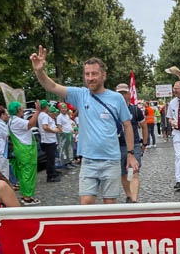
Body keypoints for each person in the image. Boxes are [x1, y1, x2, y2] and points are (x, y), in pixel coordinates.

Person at [30, 46, 138, 204]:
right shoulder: (80, 95)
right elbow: (51, 86)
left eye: (94, 74)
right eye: (87, 74)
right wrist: (39, 71)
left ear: (103, 75)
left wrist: (130, 154)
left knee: (110, 205)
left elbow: (127, 126)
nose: (90, 78)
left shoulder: (116, 98)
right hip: (88, 160)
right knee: (86, 204)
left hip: (111, 160)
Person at [116, 83, 147, 203]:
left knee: (134, 171)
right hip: (117, 146)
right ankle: (129, 195)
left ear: (129, 94)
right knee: (123, 173)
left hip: (134, 145)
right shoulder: (112, 110)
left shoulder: (135, 109)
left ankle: (134, 200)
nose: (122, 95)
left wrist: (144, 143)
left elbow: (144, 126)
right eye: (120, 93)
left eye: (124, 93)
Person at [7, 101, 41, 205]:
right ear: (18, 110)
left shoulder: (11, 120)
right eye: (21, 108)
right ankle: (27, 198)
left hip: (21, 150)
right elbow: (31, 124)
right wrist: (38, 111)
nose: (22, 109)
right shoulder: (16, 120)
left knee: (23, 174)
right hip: (25, 151)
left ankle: (24, 195)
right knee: (28, 174)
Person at [37, 101, 62, 182]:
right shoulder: (44, 115)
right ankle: (51, 176)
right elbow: (45, 127)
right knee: (50, 159)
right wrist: (54, 131)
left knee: (51, 158)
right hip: (49, 140)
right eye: (48, 106)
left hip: (47, 140)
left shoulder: (42, 115)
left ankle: (53, 171)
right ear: (46, 107)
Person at [56, 103, 76, 169]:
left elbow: (68, 124)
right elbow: (59, 126)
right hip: (65, 135)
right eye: (62, 108)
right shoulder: (59, 117)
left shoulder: (67, 116)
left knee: (70, 149)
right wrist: (63, 134)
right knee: (65, 149)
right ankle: (66, 164)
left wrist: (72, 130)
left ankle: (70, 162)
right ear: (60, 109)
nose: (64, 109)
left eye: (65, 108)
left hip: (70, 134)